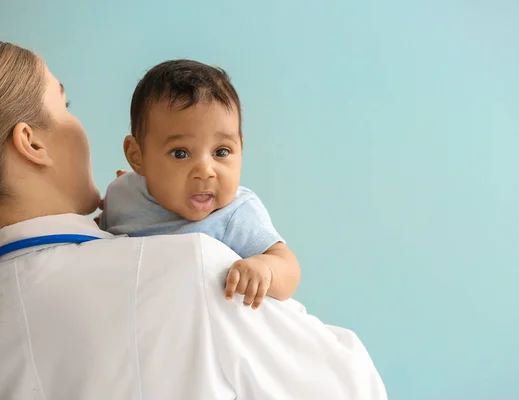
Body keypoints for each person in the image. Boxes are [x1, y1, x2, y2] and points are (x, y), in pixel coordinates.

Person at [0, 41, 387, 399]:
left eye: (221, 151)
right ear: (32, 143)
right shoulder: (196, 270)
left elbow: (282, 261)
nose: (205, 170)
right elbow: (349, 384)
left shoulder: (222, 216)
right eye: (66, 105)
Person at [99, 60, 299, 309]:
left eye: (222, 151)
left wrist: (265, 269)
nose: (206, 171)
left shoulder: (236, 213)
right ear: (138, 157)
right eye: (180, 153)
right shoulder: (122, 194)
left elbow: (288, 266)